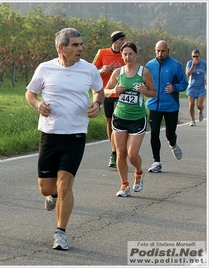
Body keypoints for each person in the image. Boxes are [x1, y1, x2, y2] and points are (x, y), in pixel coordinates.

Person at [25, 28, 104, 250]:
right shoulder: (45, 68)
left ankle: (60, 232)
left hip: (75, 135)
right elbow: (30, 93)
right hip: (50, 134)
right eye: (75, 45)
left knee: (66, 183)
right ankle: (51, 196)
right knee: (46, 187)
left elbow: (99, 91)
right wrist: (38, 104)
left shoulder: (89, 69)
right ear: (62, 48)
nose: (80, 48)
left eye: (81, 44)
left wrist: (97, 104)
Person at [105, 41, 156, 197]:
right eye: (125, 54)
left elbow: (153, 92)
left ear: (136, 55)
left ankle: (139, 173)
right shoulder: (118, 73)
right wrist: (114, 90)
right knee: (120, 154)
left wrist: (144, 90)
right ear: (122, 55)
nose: (128, 57)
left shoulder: (144, 72)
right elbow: (105, 91)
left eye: (131, 54)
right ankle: (124, 185)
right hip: (120, 116)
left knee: (132, 154)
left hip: (137, 118)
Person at [145, 40, 188, 173]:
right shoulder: (149, 65)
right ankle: (156, 161)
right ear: (155, 50)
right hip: (154, 105)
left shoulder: (176, 65)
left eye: (163, 51)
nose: (160, 53)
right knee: (154, 132)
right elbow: (143, 81)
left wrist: (174, 87)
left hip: (171, 106)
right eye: (158, 51)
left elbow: (184, 84)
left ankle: (173, 143)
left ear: (168, 50)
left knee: (169, 134)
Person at [92, 31, 126, 169]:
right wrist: (101, 70)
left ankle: (117, 151)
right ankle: (113, 150)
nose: (124, 41)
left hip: (121, 94)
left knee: (118, 123)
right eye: (122, 39)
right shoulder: (102, 52)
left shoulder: (126, 54)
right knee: (109, 122)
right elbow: (91, 70)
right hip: (107, 93)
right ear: (115, 41)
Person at [185, 49, 207, 126]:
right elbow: (187, 74)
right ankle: (192, 120)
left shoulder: (204, 63)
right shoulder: (189, 63)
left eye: (196, 56)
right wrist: (193, 66)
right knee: (191, 104)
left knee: (199, 105)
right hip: (192, 87)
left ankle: (200, 111)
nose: (195, 58)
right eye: (193, 56)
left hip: (201, 87)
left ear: (199, 56)